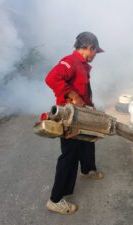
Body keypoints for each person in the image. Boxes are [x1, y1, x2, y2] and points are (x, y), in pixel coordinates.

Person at [44, 31, 104, 215]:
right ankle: (55, 200)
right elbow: (51, 78)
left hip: (82, 114)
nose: (95, 55)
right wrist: (73, 95)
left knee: (88, 141)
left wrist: (89, 106)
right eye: (95, 52)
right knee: (69, 157)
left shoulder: (82, 64)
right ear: (89, 48)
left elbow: (83, 89)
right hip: (70, 117)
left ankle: (88, 170)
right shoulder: (70, 61)